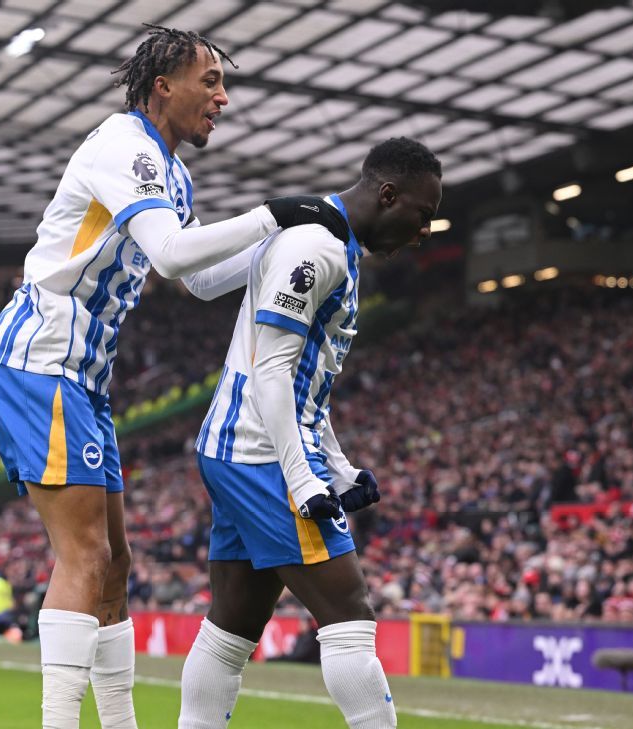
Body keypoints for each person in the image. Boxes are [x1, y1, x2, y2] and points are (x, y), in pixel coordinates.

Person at [0, 24, 350, 729]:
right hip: (40, 360)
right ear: (163, 87)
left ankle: (119, 721)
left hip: (80, 378)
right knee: (84, 554)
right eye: (210, 82)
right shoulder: (123, 147)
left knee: (115, 561)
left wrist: (288, 241)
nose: (224, 98)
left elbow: (205, 278)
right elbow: (175, 255)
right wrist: (272, 212)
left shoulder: (169, 169)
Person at [179, 137, 442, 729]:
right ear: (387, 194)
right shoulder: (315, 247)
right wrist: (304, 478)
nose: (426, 229)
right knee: (349, 611)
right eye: (423, 214)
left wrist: (339, 465)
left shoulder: (334, 244)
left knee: (233, 624)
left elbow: (302, 385)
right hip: (260, 457)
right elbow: (271, 371)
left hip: (238, 449)